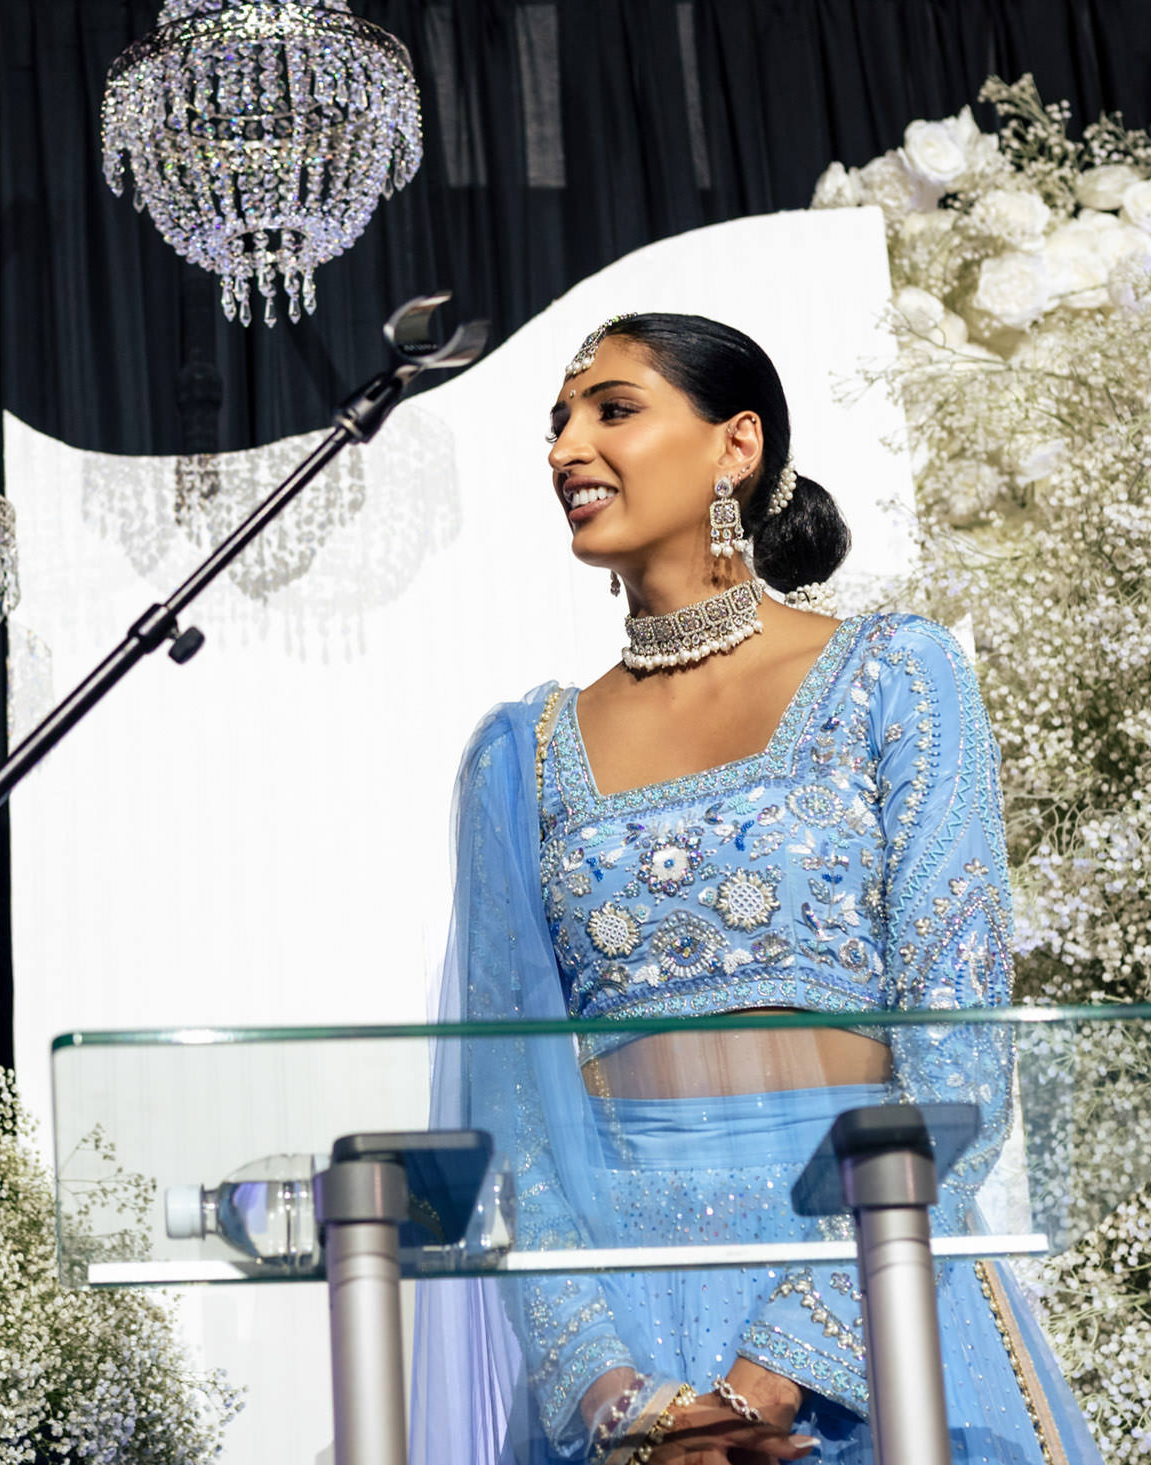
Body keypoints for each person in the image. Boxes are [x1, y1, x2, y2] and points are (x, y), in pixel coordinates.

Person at [411, 314, 1101, 1463]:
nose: (565, 448)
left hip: (868, 1286)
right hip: (625, 1318)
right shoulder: (520, 756)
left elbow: (958, 1056)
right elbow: (517, 1118)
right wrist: (614, 1394)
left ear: (735, 446)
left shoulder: (893, 678)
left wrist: (782, 1370)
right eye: (557, 423)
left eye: (612, 410)